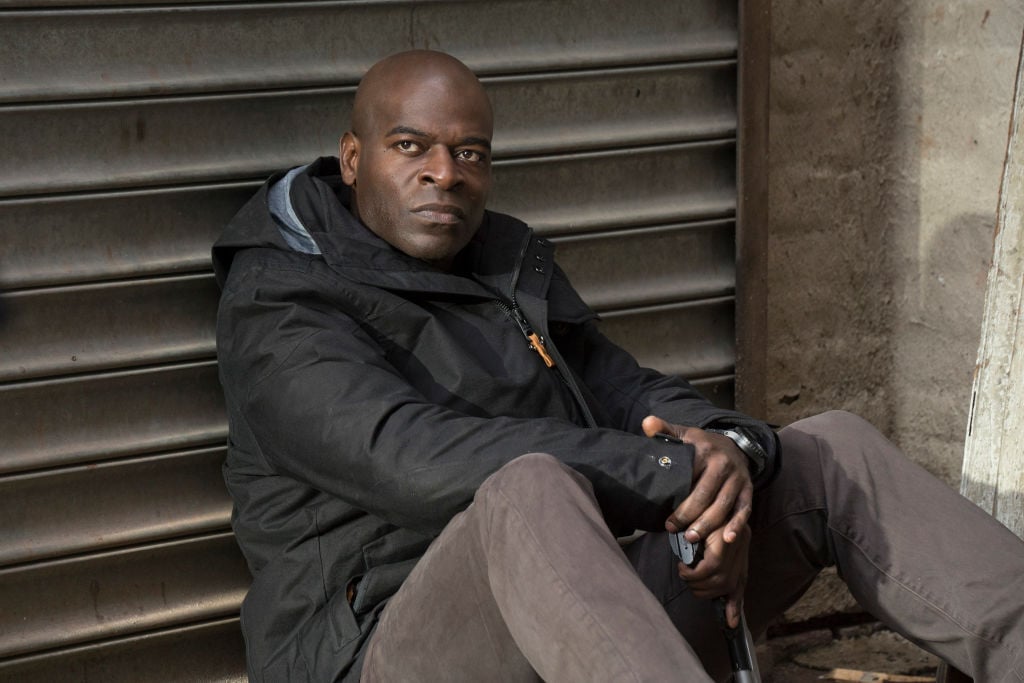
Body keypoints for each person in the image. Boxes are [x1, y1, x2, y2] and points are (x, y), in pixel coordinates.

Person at [213, 50, 1024, 682]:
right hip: (381, 648)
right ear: (353, 158)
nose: (445, 173)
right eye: (410, 146)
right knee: (528, 488)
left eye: (470, 152)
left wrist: (731, 457)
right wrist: (671, 474)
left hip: (570, 621)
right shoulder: (282, 298)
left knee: (826, 454)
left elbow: (619, 386)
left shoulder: (497, 261)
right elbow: (410, 459)